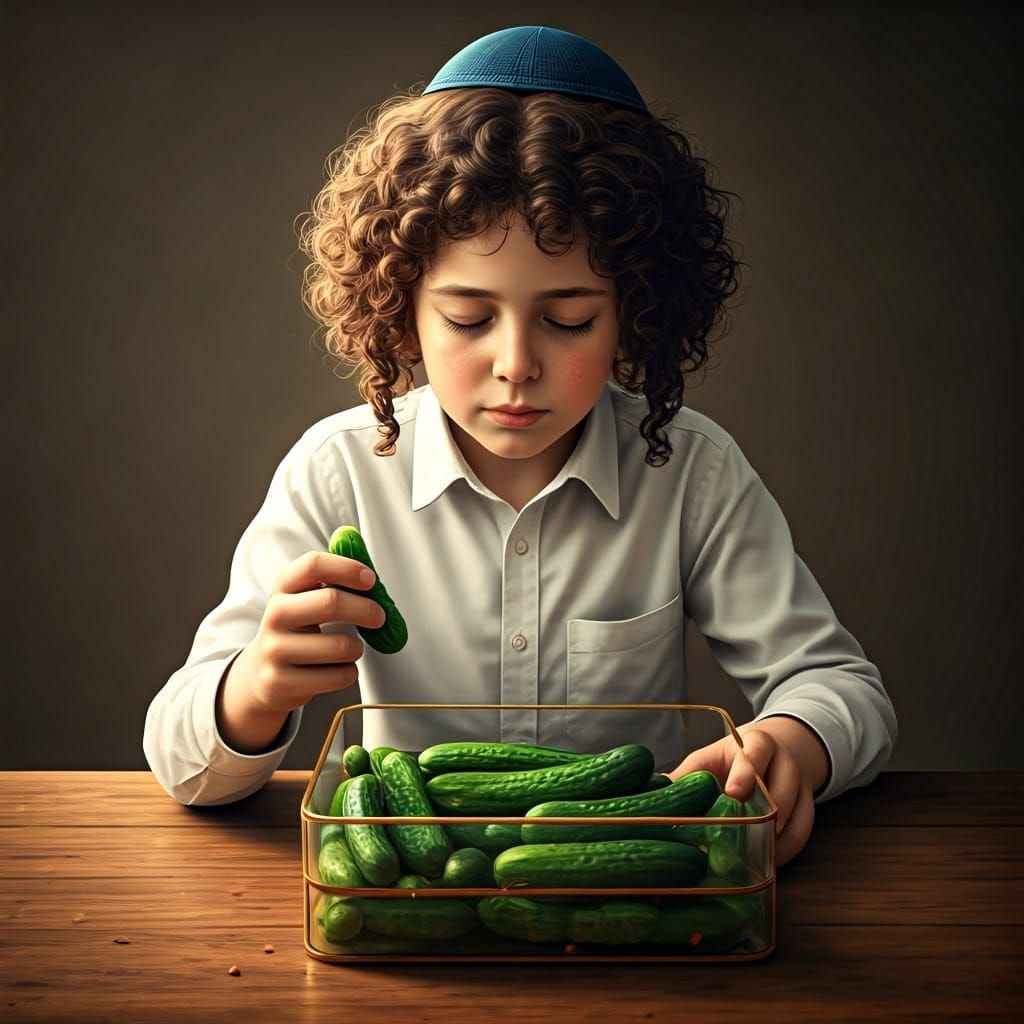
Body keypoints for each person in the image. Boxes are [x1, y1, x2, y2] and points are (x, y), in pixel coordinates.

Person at [143, 26, 897, 866]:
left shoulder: (691, 471)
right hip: (415, 886)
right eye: (468, 318)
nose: (516, 365)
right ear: (402, 310)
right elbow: (180, 757)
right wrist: (252, 691)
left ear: (636, 314)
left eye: (568, 320)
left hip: (620, 885)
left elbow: (841, 686)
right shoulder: (338, 472)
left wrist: (793, 742)